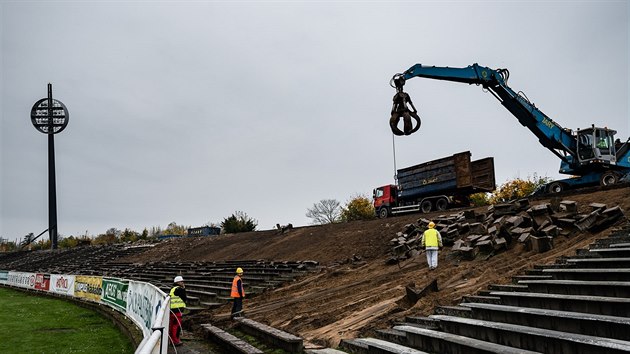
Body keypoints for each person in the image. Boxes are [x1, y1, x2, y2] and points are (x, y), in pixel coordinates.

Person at [169, 275, 187, 346]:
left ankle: (172, 340)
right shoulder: (180, 289)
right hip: (177, 311)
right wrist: (184, 289)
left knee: (172, 326)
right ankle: (175, 341)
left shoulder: (173, 289)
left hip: (172, 310)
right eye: (181, 281)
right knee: (177, 326)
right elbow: (184, 298)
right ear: (178, 282)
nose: (183, 282)